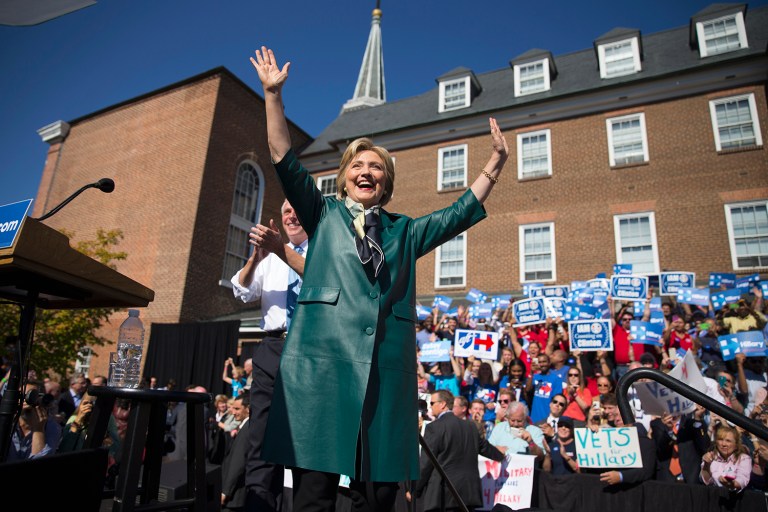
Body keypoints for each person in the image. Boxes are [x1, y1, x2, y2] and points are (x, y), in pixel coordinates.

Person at [250, 46, 509, 512]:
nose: (365, 172)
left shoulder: (404, 231)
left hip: (384, 375)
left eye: (375, 168)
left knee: (378, 496)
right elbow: (283, 158)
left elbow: (457, 214)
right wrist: (273, 96)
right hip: (322, 370)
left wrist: (493, 165)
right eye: (357, 165)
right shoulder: (322, 214)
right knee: (313, 493)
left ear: (385, 183)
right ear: (344, 177)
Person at [230, 197, 308, 512]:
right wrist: (255, 258)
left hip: (310, 350)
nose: (291, 216)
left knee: (303, 440)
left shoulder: (323, 250)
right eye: (287, 210)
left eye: (297, 210)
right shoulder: (269, 257)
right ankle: (259, 503)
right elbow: (241, 290)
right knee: (260, 435)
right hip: (273, 348)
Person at [415, 390, 504, 511]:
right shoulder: (470, 426)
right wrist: (502, 455)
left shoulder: (434, 427)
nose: (430, 407)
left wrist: (415, 489)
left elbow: (426, 462)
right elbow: (486, 448)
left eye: (432, 403)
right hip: (468, 493)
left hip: (445, 493)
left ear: (442, 404)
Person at [221, 394, 251, 511]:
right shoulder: (245, 426)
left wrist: (225, 491)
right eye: (232, 408)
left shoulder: (247, 428)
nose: (233, 412)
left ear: (248, 409)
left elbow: (238, 463)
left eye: (237, 409)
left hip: (234, 496)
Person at [700, 424, 752, 491]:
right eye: (720, 439)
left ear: (736, 445)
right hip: (713, 494)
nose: (723, 444)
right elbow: (707, 481)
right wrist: (706, 464)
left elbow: (743, 478)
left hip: (734, 495)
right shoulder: (711, 456)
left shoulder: (744, 458)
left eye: (728, 441)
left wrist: (732, 484)